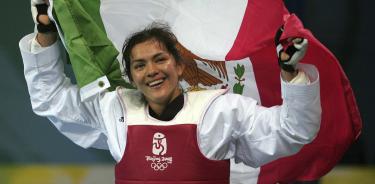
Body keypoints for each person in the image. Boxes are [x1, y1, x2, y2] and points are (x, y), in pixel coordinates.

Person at [20, 1, 321, 183]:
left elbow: (293, 130)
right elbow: (51, 99)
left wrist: (289, 73)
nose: (151, 71)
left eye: (160, 59)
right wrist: (46, 35)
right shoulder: (117, 110)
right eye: (139, 65)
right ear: (132, 76)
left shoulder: (219, 111)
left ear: (179, 66)